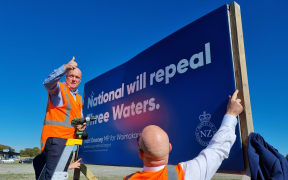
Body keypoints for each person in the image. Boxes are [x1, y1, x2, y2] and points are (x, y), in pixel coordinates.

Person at [124, 90, 244, 180]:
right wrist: (231, 114)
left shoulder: (128, 179)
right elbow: (218, 149)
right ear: (170, 147)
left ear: (140, 153)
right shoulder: (182, 175)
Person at [33, 57, 86, 180]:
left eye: (77, 77)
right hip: (56, 140)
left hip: (68, 143)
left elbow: (79, 119)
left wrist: (82, 126)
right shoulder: (60, 90)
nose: (73, 79)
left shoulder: (79, 99)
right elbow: (47, 82)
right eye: (70, 75)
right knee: (56, 177)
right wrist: (65, 67)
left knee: (59, 175)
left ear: (80, 80)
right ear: (65, 77)